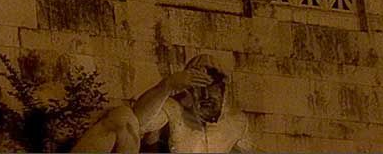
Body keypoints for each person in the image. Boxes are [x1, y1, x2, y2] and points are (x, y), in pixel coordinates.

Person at [72, 55, 251, 153]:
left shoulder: (236, 123)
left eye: (211, 87)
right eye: (198, 87)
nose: (206, 95)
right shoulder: (174, 110)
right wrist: (167, 86)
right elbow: (137, 121)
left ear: (223, 90)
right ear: (188, 90)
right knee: (121, 116)